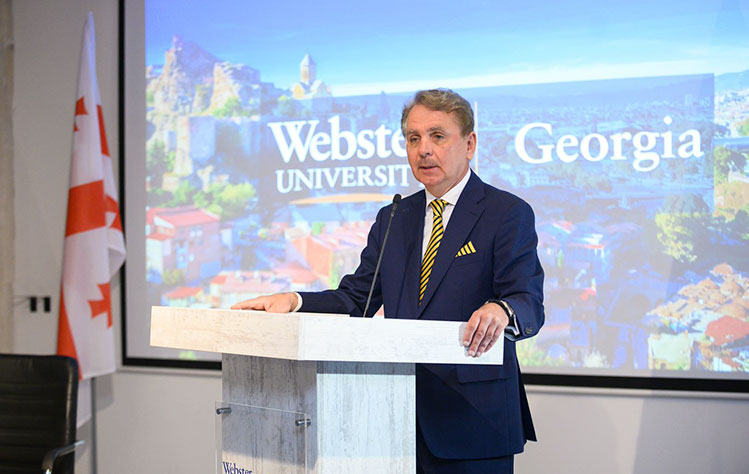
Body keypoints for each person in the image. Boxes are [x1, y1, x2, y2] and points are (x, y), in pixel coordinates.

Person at [232, 88, 545, 473]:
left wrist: (501, 309)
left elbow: (528, 299)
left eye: (437, 136)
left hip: (472, 423)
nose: (424, 149)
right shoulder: (394, 217)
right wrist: (293, 300)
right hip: (390, 422)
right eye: (413, 139)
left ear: (470, 144)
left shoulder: (506, 212)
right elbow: (355, 299)